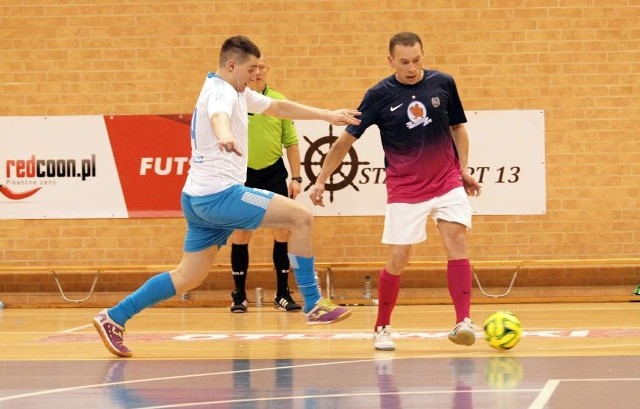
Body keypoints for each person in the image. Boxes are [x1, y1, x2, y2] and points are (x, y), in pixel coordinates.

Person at [93, 35, 359, 358]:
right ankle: (314, 303)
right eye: (250, 70)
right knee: (300, 217)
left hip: (196, 199)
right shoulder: (221, 93)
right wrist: (224, 136)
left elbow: (276, 107)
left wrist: (327, 115)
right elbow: (218, 116)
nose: (255, 76)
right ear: (232, 65)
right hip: (220, 196)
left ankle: (114, 317)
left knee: (188, 276)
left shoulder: (234, 90)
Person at [309, 32, 481, 352]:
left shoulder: (444, 83)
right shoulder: (378, 95)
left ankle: (463, 321)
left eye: (417, 60)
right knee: (399, 257)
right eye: (404, 62)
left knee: (456, 240)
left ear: (423, 55)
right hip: (405, 187)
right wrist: (321, 179)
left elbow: (458, 128)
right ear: (391, 61)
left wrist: (465, 169)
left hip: (446, 180)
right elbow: (345, 141)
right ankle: (382, 326)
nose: (412, 67)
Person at [229, 58, 302, 313]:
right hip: (243, 175)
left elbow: (291, 143)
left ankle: (282, 293)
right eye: (253, 68)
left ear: (267, 70)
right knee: (240, 233)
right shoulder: (234, 100)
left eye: (262, 67)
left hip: (272, 174)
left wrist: (296, 177)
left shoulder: (278, 101)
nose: (258, 72)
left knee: (282, 232)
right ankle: (239, 294)